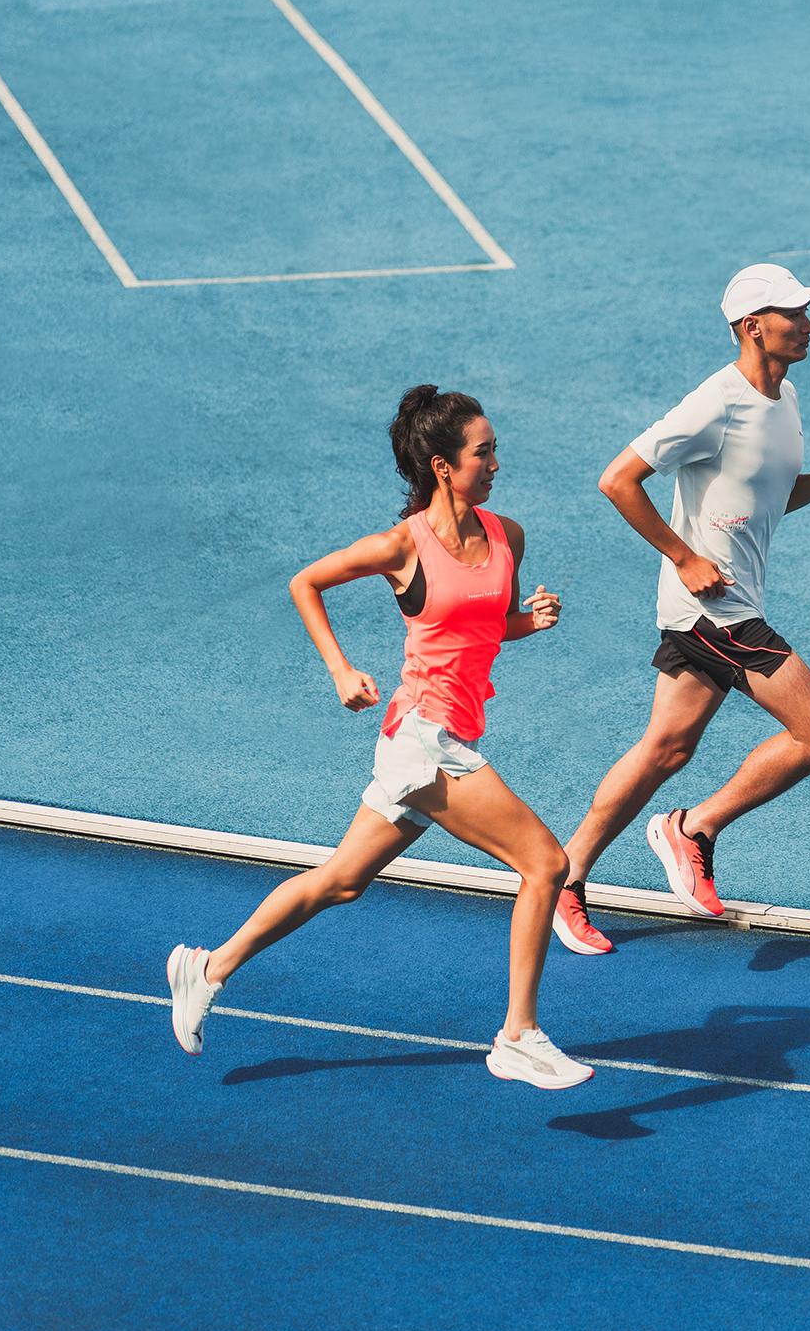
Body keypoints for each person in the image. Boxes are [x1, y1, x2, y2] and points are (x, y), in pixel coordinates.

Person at [168, 385, 593, 1088]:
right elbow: (306, 583)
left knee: (341, 882)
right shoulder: (402, 546)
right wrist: (341, 669)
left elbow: (488, 626)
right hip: (424, 739)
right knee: (546, 864)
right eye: (482, 453)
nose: (495, 464)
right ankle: (518, 1036)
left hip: (445, 735)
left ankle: (207, 968)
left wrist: (531, 621)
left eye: (495, 451)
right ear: (442, 466)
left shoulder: (506, 536)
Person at [552, 264, 810, 955]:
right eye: (793, 315)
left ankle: (563, 877)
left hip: (722, 605)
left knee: (666, 748)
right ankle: (693, 827)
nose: (808, 325)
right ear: (753, 327)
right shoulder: (715, 403)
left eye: (807, 312)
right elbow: (618, 480)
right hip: (715, 611)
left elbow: (766, 498)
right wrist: (683, 556)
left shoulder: (784, 398)